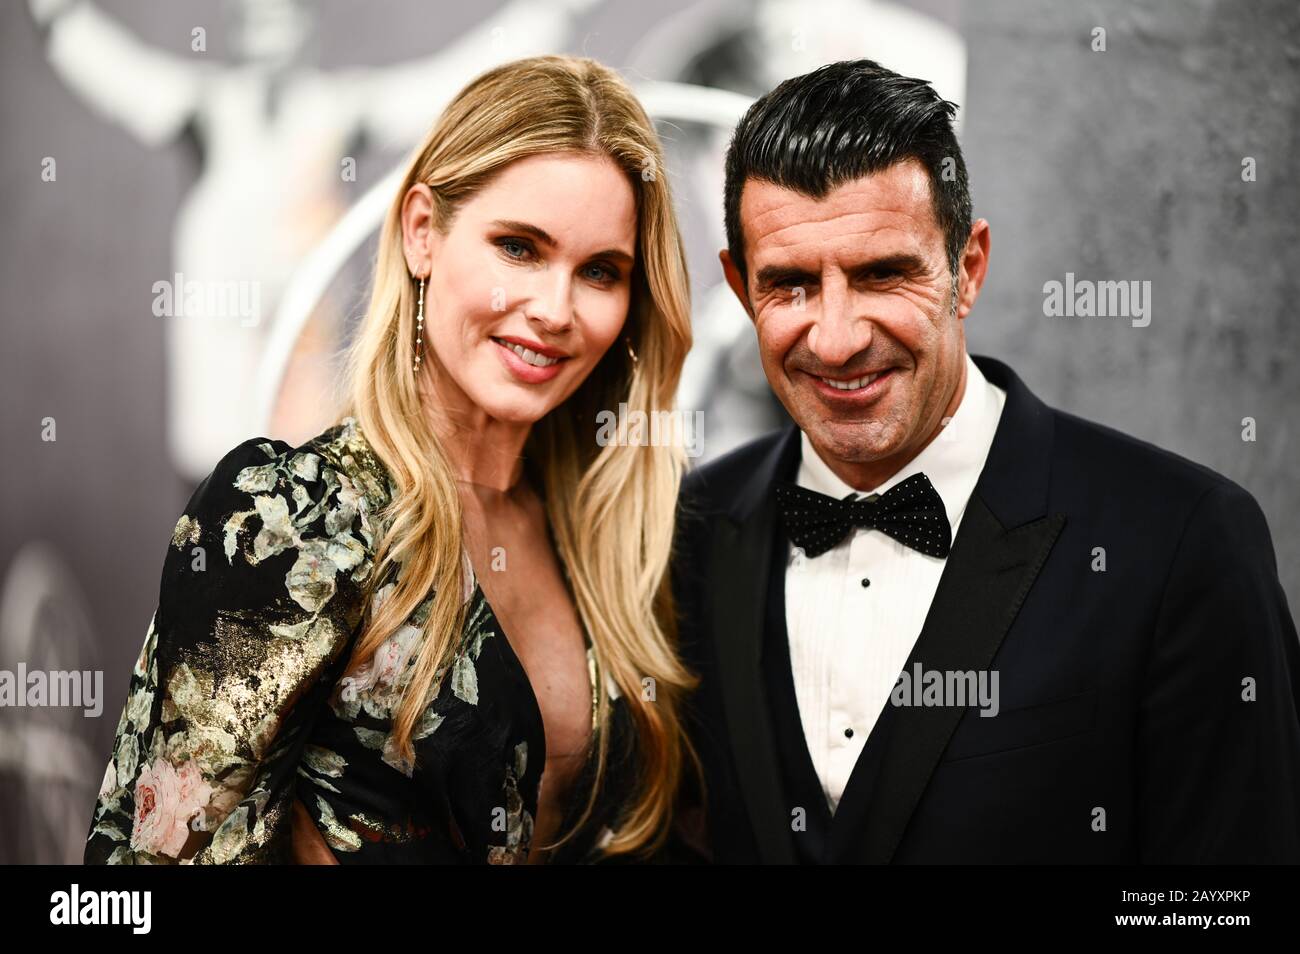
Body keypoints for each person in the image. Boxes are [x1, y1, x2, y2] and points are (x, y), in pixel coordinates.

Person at [672, 58, 1300, 863]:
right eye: (790, 285)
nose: (835, 337)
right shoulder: (685, 536)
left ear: (966, 270)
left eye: (882, 274)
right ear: (737, 284)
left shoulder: (1183, 540)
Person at [84, 54, 701, 865]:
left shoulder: (617, 535)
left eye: (599, 271)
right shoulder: (293, 518)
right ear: (422, 233)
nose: (555, 309)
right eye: (519, 248)